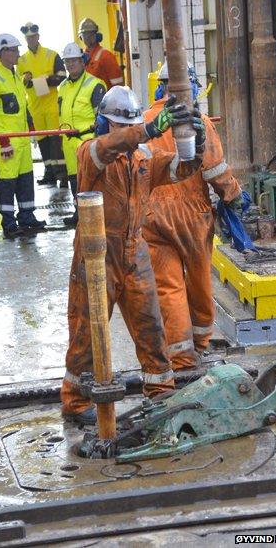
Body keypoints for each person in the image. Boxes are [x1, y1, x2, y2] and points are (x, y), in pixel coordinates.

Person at [61, 85, 206, 425]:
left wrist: (194, 147)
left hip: (134, 249)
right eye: (119, 125)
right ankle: (75, 401)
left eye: (130, 126)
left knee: (150, 327)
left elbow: (177, 171)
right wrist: (150, 129)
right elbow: (107, 148)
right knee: (87, 329)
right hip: (97, 254)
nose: (124, 132)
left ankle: (160, 390)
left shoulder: (141, 160)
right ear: (106, 124)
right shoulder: (90, 154)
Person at [142, 61, 242, 371]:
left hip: (153, 215)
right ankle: (199, 344)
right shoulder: (200, 122)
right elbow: (214, 171)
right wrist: (235, 196)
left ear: (159, 86)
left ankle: (180, 356)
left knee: (168, 287)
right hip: (192, 216)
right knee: (199, 281)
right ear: (192, 85)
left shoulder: (146, 121)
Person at [0, 34, 46, 237]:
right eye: (15, 50)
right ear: (4, 52)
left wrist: (31, 129)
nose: (18, 53)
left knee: (26, 180)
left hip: (22, 141)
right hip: (7, 143)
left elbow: (23, 108)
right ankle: (8, 222)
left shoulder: (15, 77)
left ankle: (26, 216)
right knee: (7, 182)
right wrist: (3, 142)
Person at [58, 42, 105, 226]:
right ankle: (79, 213)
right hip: (69, 143)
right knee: (74, 180)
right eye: (67, 62)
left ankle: (93, 216)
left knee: (91, 181)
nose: (70, 65)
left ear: (82, 61)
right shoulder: (62, 87)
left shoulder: (95, 85)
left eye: (74, 61)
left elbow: (101, 118)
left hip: (87, 141)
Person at [17, 22, 68, 187]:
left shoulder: (51, 54)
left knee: (55, 141)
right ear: (25, 39)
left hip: (51, 104)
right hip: (34, 106)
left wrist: (40, 83)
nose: (31, 40)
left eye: (33, 37)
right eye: (28, 38)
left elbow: (61, 75)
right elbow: (19, 83)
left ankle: (62, 175)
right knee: (43, 142)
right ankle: (49, 173)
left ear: (38, 37)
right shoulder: (22, 60)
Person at [78, 18, 123, 90]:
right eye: (86, 34)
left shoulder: (106, 56)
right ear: (80, 37)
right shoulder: (80, 58)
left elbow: (118, 88)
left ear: (97, 35)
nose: (88, 37)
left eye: (91, 34)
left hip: (104, 99)